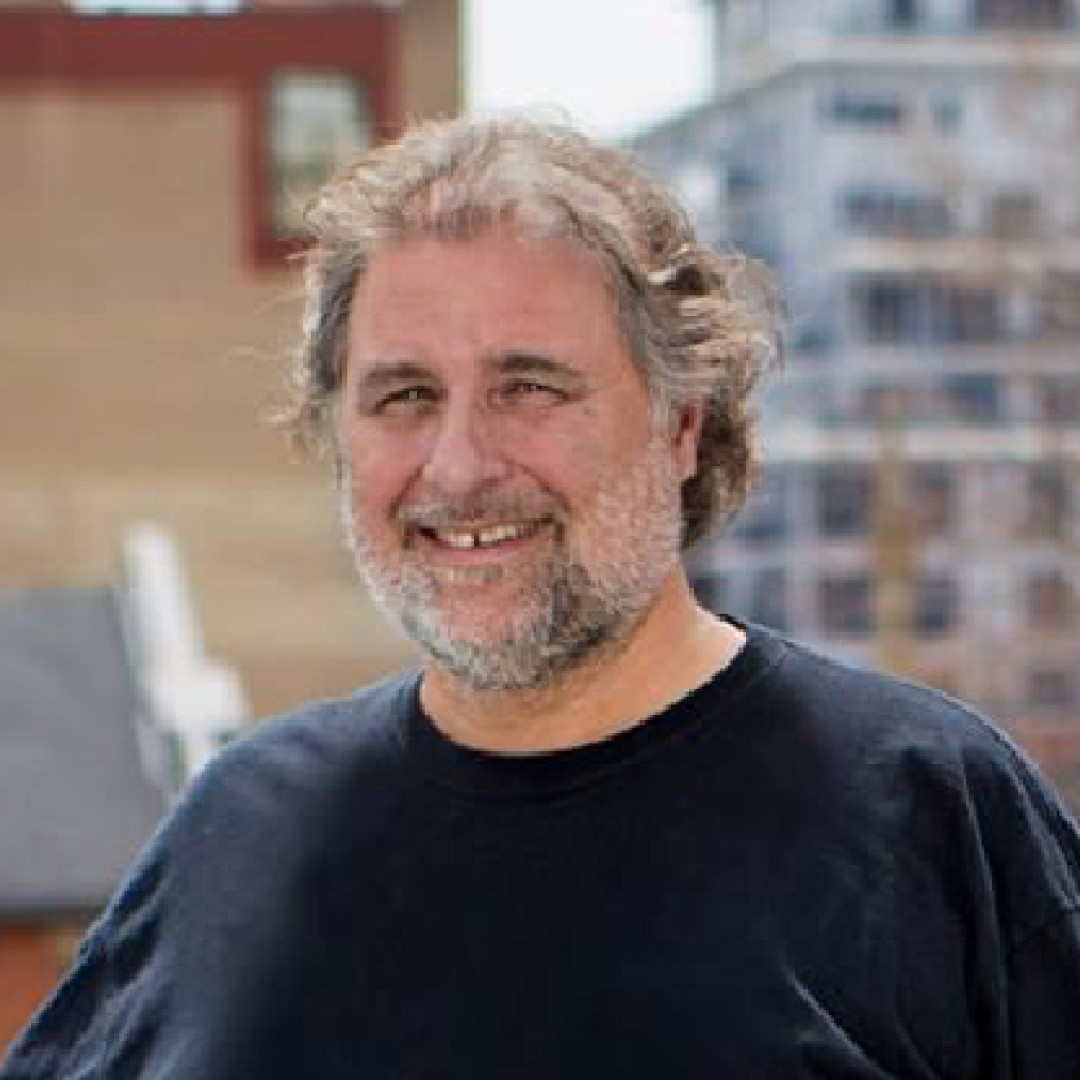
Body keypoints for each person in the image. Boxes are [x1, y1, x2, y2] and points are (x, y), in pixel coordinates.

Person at [4, 113, 1080, 1080]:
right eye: (405, 396)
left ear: (681, 423)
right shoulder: (236, 839)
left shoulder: (932, 819)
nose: (460, 465)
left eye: (530, 388)